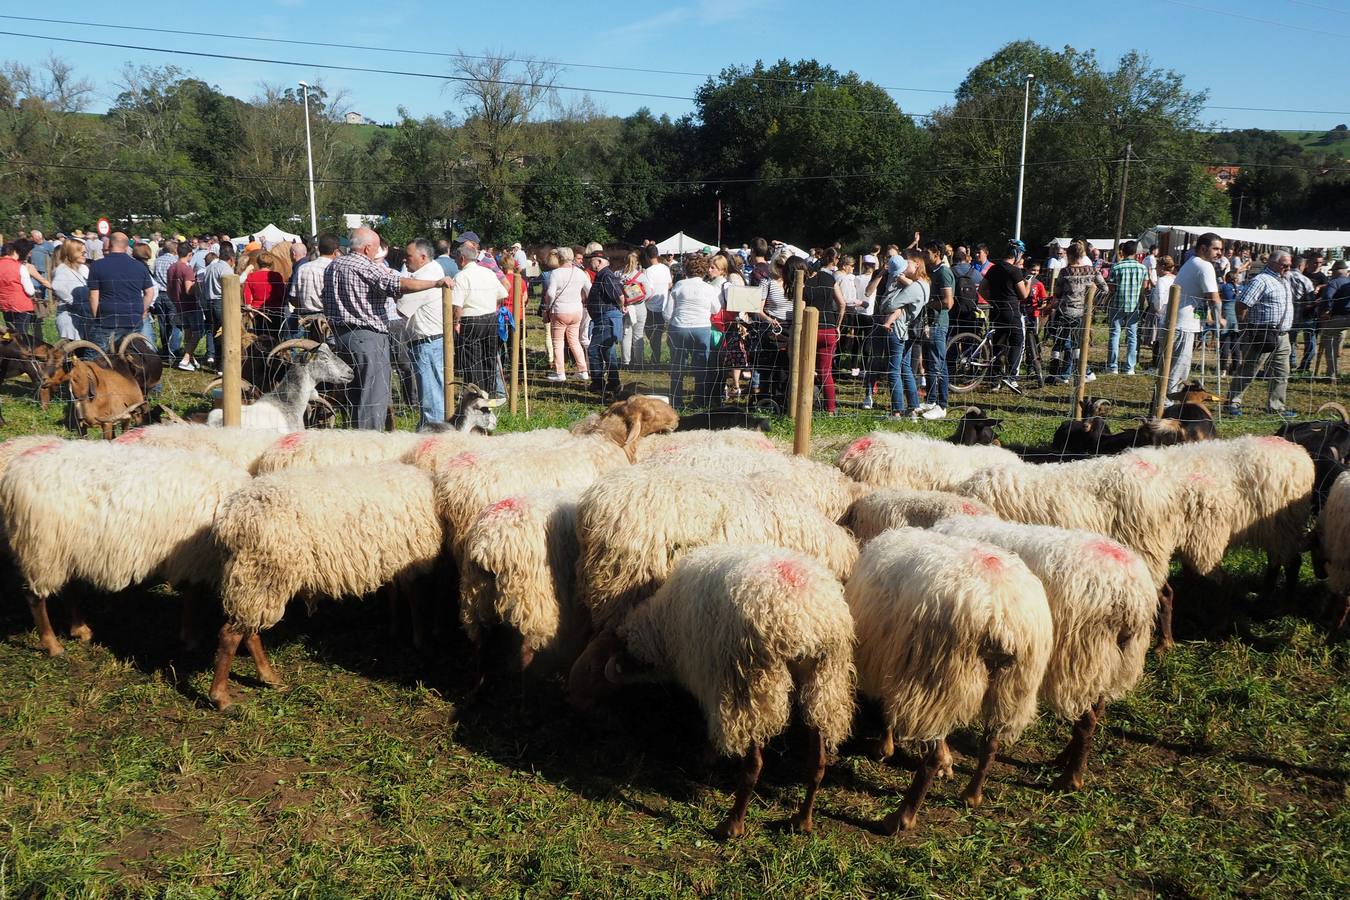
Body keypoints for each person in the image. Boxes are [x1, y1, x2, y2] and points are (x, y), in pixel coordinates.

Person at [322, 227, 448, 430]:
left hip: (341, 336)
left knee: (354, 392)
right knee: (373, 394)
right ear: (367, 248)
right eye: (376, 247)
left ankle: (353, 437)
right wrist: (435, 284)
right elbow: (397, 284)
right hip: (367, 338)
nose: (377, 251)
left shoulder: (333, 265)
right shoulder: (365, 266)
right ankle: (369, 441)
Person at [1224, 251, 1296, 417]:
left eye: (1289, 264)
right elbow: (1242, 305)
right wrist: (1245, 328)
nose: (1288, 268)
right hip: (1261, 333)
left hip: (1282, 335)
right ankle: (1233, 402)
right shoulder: (1260, 280)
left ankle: (1276, 406)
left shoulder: (1284, 280)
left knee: (1281, 371)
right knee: (1250, 368)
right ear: (1272, 262)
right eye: (1284, 264)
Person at [397, 238, 448, 428]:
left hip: (426, 342)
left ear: (423, 257)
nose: (404, 260)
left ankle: (433, 434)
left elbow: (400, 309)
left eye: (408, 256)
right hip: (430, 340)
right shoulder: (432, 270)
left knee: (430, 394)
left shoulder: (423, 278)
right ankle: (432, 429)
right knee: (434, 390)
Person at [876, 248, 930, 419]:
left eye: (908, 262)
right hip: (905, 328)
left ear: (917, 263)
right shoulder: (924, 285)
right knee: (905, 367)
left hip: (897, 328)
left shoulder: (914, 287)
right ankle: (913, 407)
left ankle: (896, 410)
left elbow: (889, 306)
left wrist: (886, 304)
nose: (905, 266)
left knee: (893, 370)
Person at [451, 242, 508, 401]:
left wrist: (456, 322)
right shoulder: (488, 273)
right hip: (491, 318)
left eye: (456, 258)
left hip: (471, 320)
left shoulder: (461, 276)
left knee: (472, 360)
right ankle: (490, 394)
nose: (456, 262)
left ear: (462, 258)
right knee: (489, 358)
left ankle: (475, 397)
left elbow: (457, 306)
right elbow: (503, 293)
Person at [1169, 232, 1225, 393]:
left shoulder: (1192, 262)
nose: (1219, 253)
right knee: (1179, 368)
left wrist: (1205, 317)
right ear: (1203, 248)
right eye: (1215, 249)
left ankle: (1165, 402)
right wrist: (1219, 318)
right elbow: (1214, 298)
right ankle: (1167, 405)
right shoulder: (1204, 265)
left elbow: (1199, 298)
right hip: (1183, 324)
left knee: (1174, 366)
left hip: (1180, 322)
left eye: (1220, 249)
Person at [663, 254, 720, 410]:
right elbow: (716, 308)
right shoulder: (709, 288)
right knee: (701, 366)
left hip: (679, 327)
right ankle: (698, 400)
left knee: (677, 364)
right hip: (701, 328)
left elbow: (667, 313)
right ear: (705, 270)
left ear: (686, 269)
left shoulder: (679, 285)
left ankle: (676, 400)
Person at [1046, 240, 1106, 384]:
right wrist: (1091, 301)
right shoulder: (1092, 270)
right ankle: (1073, 373)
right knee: (1074, 343)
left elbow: (1058, 293)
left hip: (1066, 311)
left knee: (1062, 343)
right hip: (1083, 312)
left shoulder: (1065, 271)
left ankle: (1073, 372)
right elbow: (1104, 288)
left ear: (1070, 255)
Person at [86, 232, 155, 351]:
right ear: (127, 246)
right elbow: (150, 292)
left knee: (97, 356)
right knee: (131, 354)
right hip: (133, 317)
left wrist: (97, 317)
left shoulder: (97, 266)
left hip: (107, 317)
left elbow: (94, 296)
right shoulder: (139, 266)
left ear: (110, 244)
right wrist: (141, 309)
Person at [977, 239, 1029, 390]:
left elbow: (981, 289)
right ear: (1017, 254)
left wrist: (993, 301)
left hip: (996, 311)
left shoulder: (994, 269)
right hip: (1011, 311)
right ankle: (1012, 377)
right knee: (1017, 342)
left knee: (999, 345)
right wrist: (1028, 283)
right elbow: (1023, 295)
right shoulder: (1014, 271)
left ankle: (995, 380)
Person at [803, 248, 845, 414]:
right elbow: (842, 304)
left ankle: (805, 406)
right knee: (826, 372)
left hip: (810, 329)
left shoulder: (805, 283)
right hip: (829, 329)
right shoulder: (829, 278)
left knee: (805, 368)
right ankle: (830, 409)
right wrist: (838, 325)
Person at [543, 246, 590, 382]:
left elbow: (551, 293)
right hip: (577, 310)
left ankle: (560, 373)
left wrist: (548, 306)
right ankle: (583, 370)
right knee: (575, 341)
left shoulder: (556, 273)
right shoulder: (580, 272)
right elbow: (589, 289)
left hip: (560, 311)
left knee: (558, 342)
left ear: (559, 258)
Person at [918, 240, 953, 416]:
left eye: (927, 253)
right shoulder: (931, 272)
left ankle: (942, 404)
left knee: (939, 364)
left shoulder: (944, 273)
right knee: (931, 363)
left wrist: (927, 304)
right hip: (929, 323)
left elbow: (948, 302)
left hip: (939, 323)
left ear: (937, 254)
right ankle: (931, 400)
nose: (924, 256)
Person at [584, 246, 625, 397]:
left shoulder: (606, 275)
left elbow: (618, 295)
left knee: (594, 350)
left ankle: (598, 383)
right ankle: (614, 383)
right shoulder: (602, 275)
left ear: (600, 261)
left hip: (606, 318)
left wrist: (621, 307)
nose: (590, 264)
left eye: (592, 261)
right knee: (607, 350)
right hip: (602, 318)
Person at [1106, 240, 1147, 375]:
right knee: (1132, 336)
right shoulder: (1142, 268)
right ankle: (1130, 367)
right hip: (1134, 306)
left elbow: (1111, 287)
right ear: (1136, 253)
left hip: (1117, 304)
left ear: (1122, 251)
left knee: (1114, 335)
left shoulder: (1117, 267)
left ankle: (1113, 366)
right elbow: (1145, 286)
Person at [199, 244, 235, 369]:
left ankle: (211, 355)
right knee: (224, 331)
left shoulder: (209, 267)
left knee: (211, 330)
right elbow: (232, 285)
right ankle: (221, 363)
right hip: (220, 302)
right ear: (231, 259)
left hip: (209, 302)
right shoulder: (226, 269)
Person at [166, 242, 201, 370]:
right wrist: (197, 284)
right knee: (198, 333)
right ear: (190, 254)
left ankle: (190, 357)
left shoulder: (171, 268)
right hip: (190, 305)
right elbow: (188, 290)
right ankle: (186, 359)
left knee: (187, 332)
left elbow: (169, 289)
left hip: (178, 305)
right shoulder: (187, 269)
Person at [638, 244, 672, 367]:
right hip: (663, 304)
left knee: (650, 333)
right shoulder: (665, 268)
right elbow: (669, 284)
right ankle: (656, 357)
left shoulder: (648, 271)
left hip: (651, 306)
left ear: (647, 256)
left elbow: (648, 290)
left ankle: (656, 357)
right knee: (657, 333)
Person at [49, 237, 89, 340]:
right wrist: (72, 301)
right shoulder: (63, 270)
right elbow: (57, 286)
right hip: (68, 319)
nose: (85, 255)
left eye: (85, 252)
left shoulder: (77, 271)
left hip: (78, 318)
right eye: (82, 253)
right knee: (71, 351)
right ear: (72, 253)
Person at [243, 251, 287, 344]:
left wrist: (249, 309)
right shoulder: (277, 276)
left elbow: (246, 295)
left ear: (258, 263)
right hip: (275, 312)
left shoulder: (251, 276)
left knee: (260, 339)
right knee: (275, 339)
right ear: (271, 264)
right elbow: (282, 294)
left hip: (257, 312)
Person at [0, 238, 38, 335]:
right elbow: (30, 291)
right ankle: (21, 349)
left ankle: (7, 348)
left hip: (5, 305)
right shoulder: (20, 267)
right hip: (21, 307)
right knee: (21, 335)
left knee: (9, 332)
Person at [618, 250, 648, 367]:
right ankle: (639, 361)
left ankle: (626, 361)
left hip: (626, 308)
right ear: (637, 263)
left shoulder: (618, 275)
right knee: (638, 335)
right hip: (639, 308)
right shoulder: (641, 276)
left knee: (626, 334)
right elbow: (649, 292)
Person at [295, 234, 338, 314]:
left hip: (305, 318)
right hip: (330, 318)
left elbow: (294, 297)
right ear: (336, 252)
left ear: (318, 249)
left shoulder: (302, 268)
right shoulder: (336, 269)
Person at [1145, 255, 1176, 367]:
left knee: (1158, 340)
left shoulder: (1162, 280)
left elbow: (1159, 299)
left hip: (1161, 313)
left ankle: (1156, 364)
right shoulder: (1175, 278)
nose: (1156, 269)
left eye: (1157, 266)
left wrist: (1156, 310)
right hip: (1173, 312)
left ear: (1162, 267)